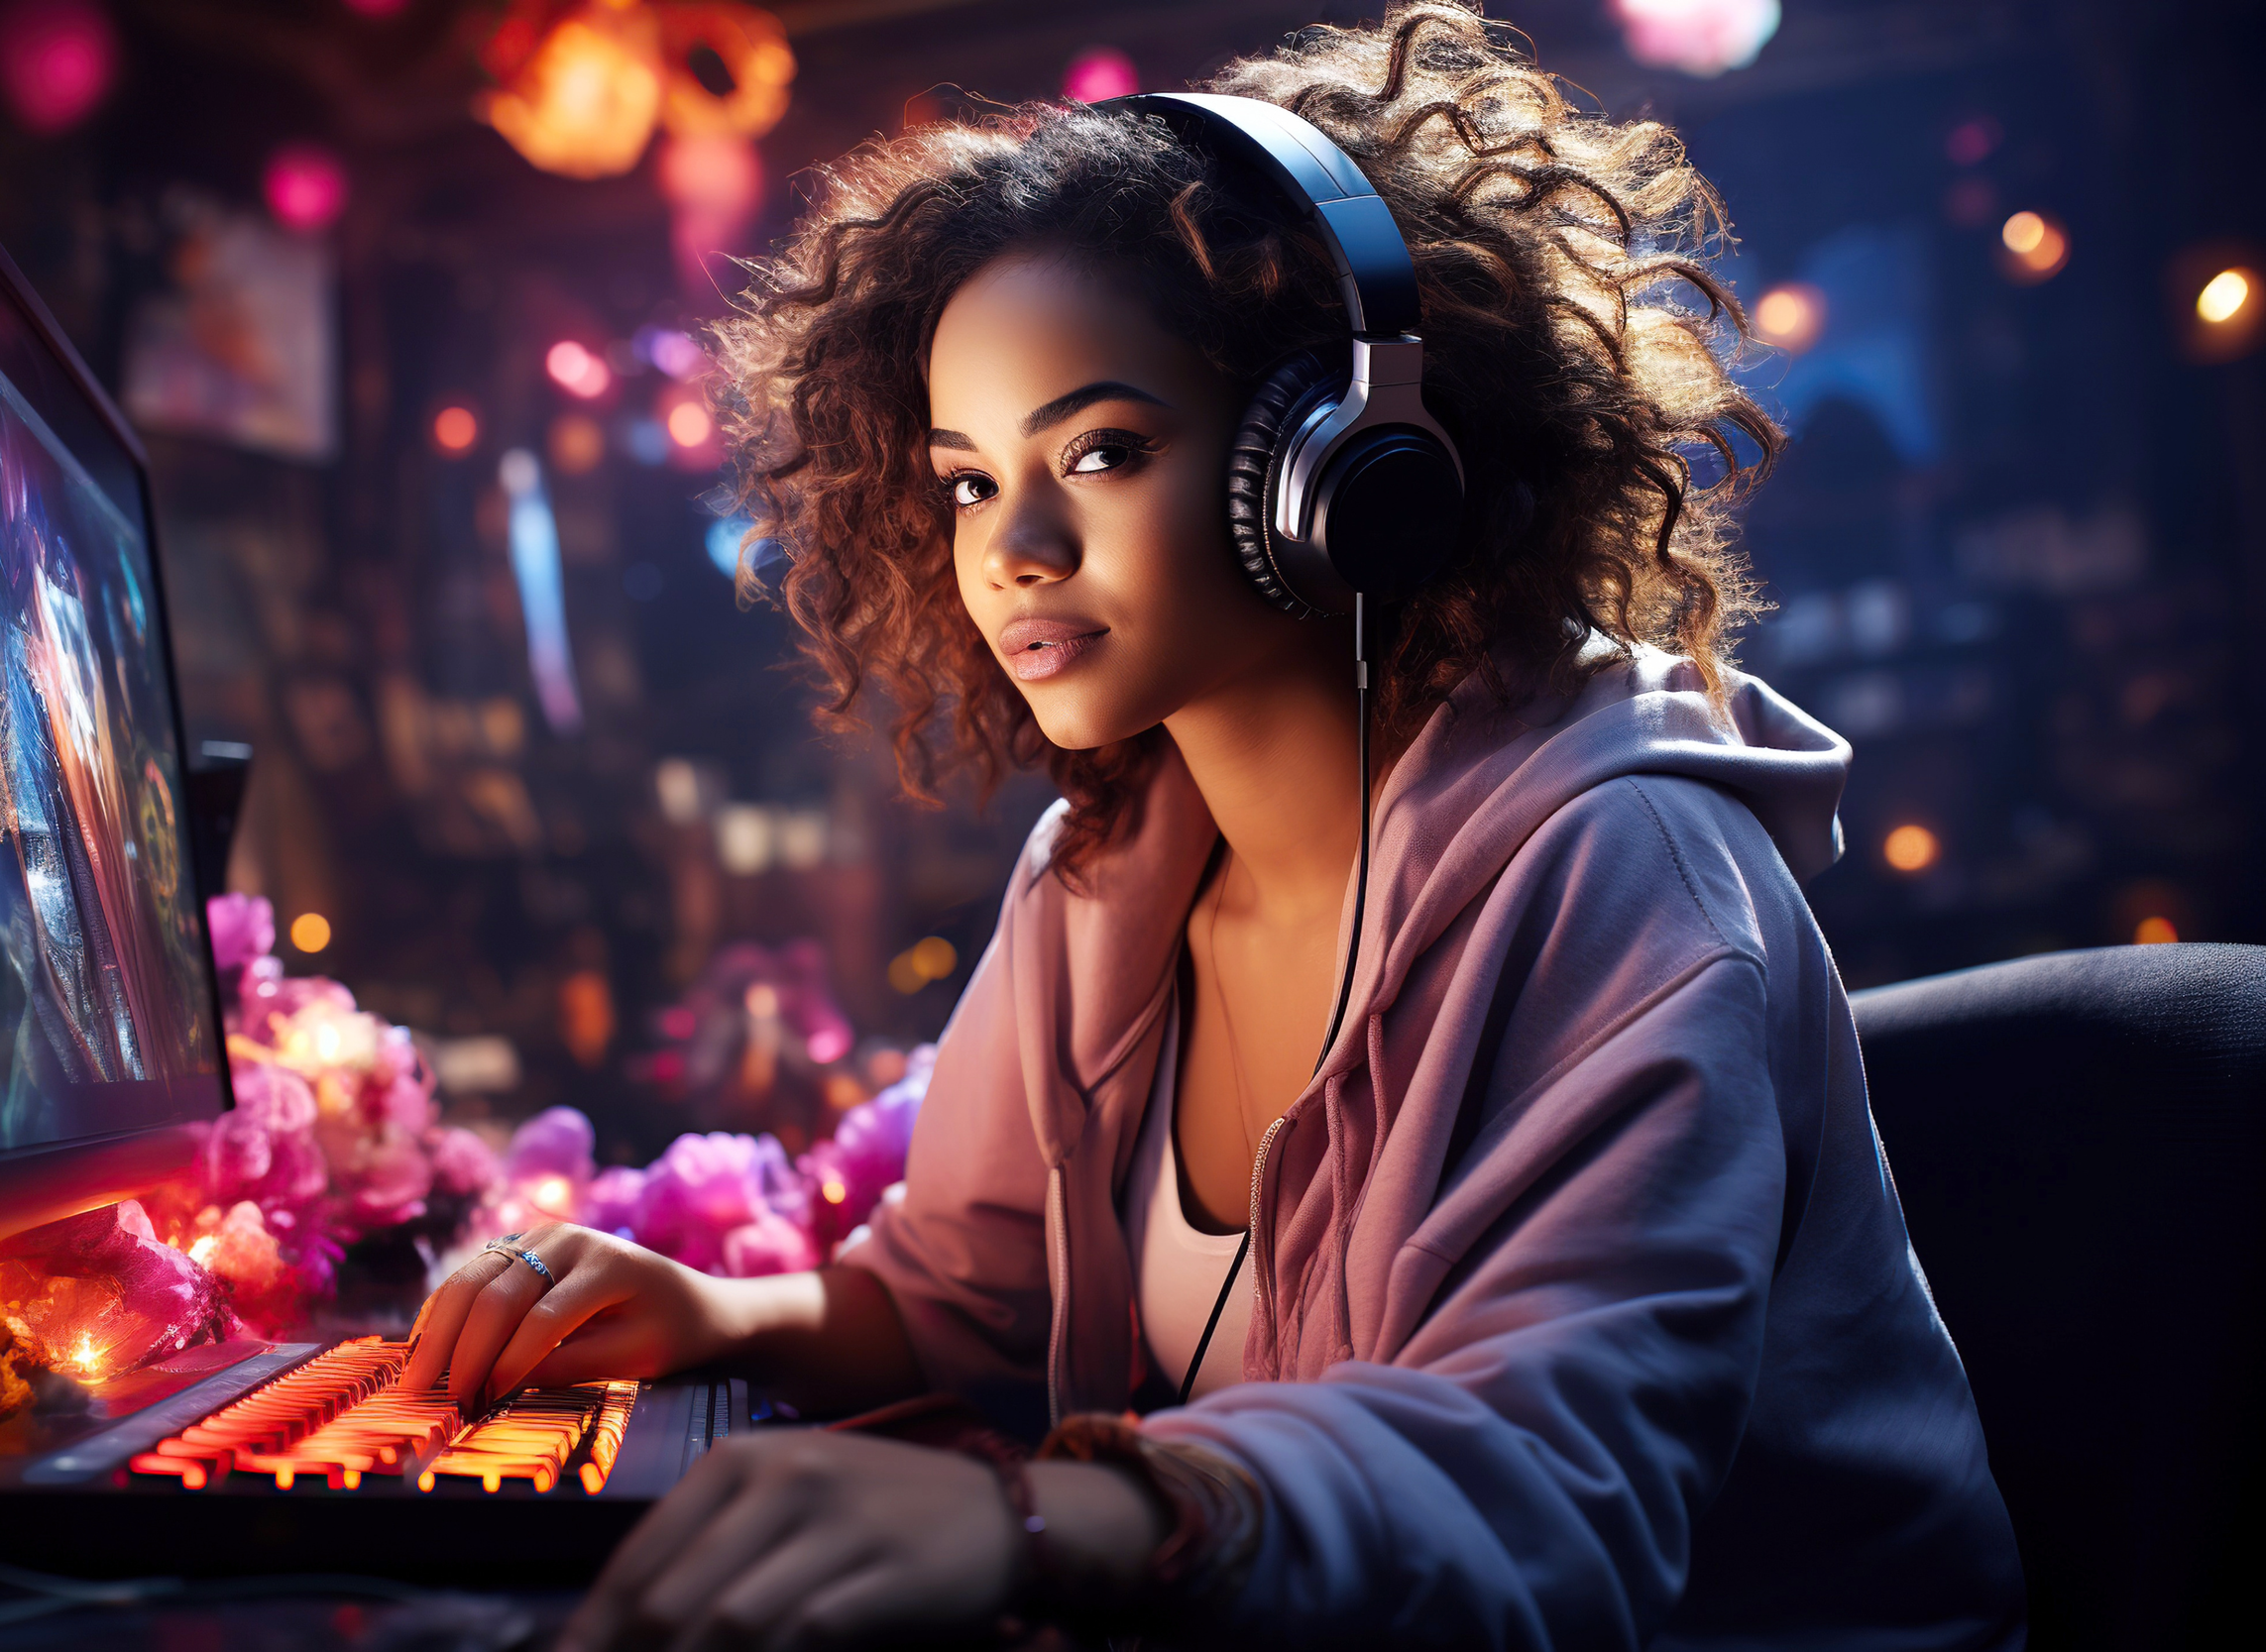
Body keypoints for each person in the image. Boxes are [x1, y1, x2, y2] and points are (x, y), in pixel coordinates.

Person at [405, 6, 2026, 1646]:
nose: (1011, 547)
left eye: (1102, 450)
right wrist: (713, 1310)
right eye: (968, 480)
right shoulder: (1103, 878)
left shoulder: (1626, 866)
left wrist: (1043, 1519)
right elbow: (955, 1301)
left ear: (1340, 471)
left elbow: (1556, 1492)